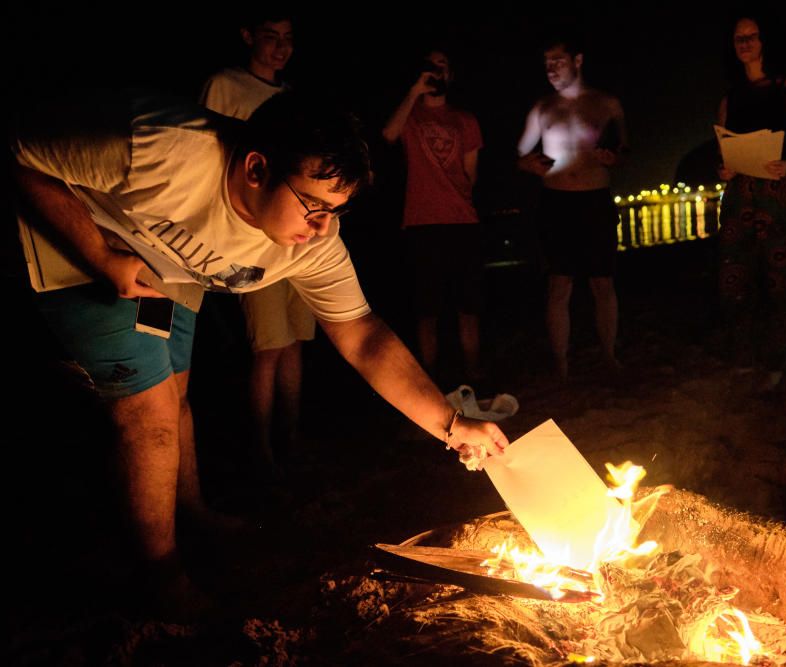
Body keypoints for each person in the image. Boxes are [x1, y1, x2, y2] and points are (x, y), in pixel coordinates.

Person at [11, 91, 508, 619]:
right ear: (256, 168)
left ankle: (192, 510)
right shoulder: (164, 150)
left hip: (168, 271)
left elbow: (364, 336)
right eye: (313, 205)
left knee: (176, 395)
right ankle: (161, 575)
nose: (321, 227)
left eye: (336, 211)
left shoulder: (316, 242)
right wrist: (99, 255)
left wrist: (453, 425)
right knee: (148, 416)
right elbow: (22, 155)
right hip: (87, 250)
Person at [201, 10, 309, 474]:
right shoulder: (225, 85)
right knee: (267, 345)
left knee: (295, 342)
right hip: (250, 242)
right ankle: (260, 447)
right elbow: (205, 151)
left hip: (295, 241)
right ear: (248, 36)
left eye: (288, 38)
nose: (280, 47)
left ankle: (292, 438)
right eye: (270, 37)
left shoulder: (291, 96)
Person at [715, 12, 786, 391]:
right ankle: (743, 357)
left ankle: (778, 363)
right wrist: (725, 170)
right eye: (738, 38)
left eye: (752, 36)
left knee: (781, 280)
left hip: (781, 190)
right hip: (742, 193)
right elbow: (725, 147)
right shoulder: (731, 96)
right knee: (734, 278)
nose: (744, 43)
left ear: (767, 40)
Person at [517, 37, 627, 379]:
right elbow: (521, 155)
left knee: (602, 284)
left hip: (595, 199)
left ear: (577, 60)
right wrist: (528, 165)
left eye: (558, 61)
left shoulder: (607, 103)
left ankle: (609, 355)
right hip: (557, 202)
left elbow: (624, 149)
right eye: (547, 63)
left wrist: (614, 158)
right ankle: (562, 363)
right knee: (559, 285)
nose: (551, 69)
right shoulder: (542, 107)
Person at [382, 49, 485, 383]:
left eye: (442, 66)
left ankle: (473, 375)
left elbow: (472, 174)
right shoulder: (410, 116)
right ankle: (431, 382)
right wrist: (414, 91)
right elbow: (388, 135)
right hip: (421, 223)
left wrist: (455, 195)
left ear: (451, 75)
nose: (436, 73)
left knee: (467, 308)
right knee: (427, 312)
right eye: (430, 67)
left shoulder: (465, 119)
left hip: (461, 222)